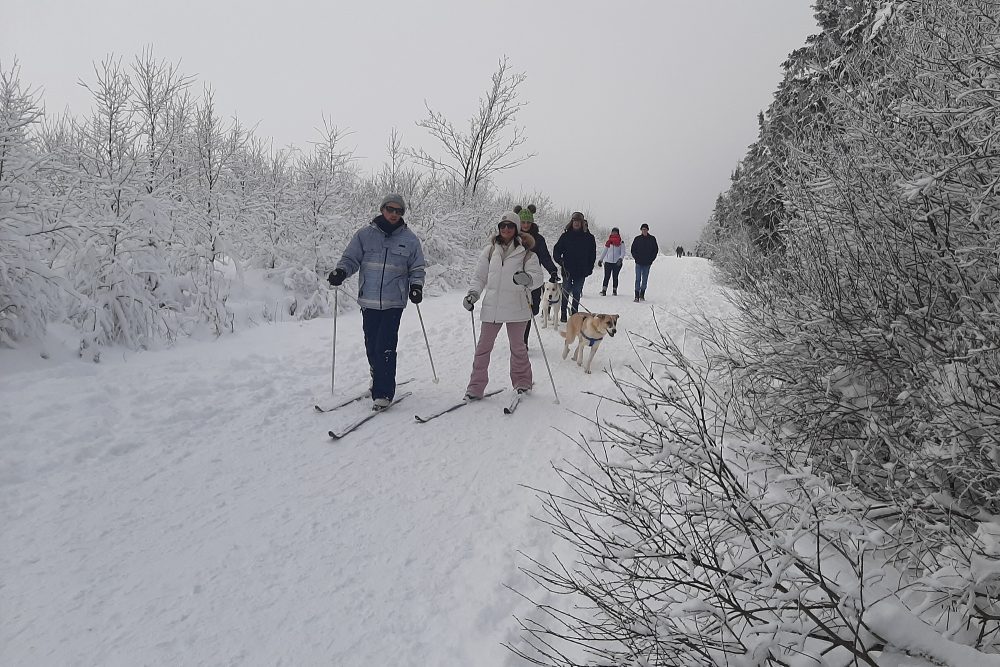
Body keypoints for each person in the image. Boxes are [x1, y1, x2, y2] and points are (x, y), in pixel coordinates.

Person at [327, 193, 425, 409]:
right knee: (371, 345)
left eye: (398, 211)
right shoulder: (364, 235)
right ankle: (376, 374)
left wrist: (416, 286)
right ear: (382, 209)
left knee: (385, 345)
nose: (393, 214)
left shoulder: (410, 239)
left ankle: (383, 392)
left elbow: (417, 267)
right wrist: (341, 272)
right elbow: (350, 258)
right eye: (390, 209)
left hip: (394, 302)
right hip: (368, 301)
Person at [463, 212, 545, 399]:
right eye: (502, 225)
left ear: (516, 229)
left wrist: (528, 279)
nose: (506, 229)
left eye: (510, 225)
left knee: (518, 348)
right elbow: (479, 277)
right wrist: (473, 294)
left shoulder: (527, 254)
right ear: (498, 228)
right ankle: (475, 388)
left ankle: (523, 383)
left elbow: (538, 278)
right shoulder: (490, 251)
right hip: (492, 307)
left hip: (517, 307)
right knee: (482, 349)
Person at [515, 204, 560, 347]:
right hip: (514, 279)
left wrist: (552, 270)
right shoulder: (513, 236)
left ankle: (521, 339)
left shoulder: (539, 239)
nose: (526, 225)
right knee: (521, 311)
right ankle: (522, 342)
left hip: (533, 279)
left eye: (528, 222)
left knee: (532, 310)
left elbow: (545, 257)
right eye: (523, 222)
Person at [552, 212, 597, 322]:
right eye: (574, 221)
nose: (576, 223)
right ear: (571, 222)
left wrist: (589, 268)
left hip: (582, 270)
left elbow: (592, 255)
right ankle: (563, 312)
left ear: (582, 223)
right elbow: (556, 250)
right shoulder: (565, 236)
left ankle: (574, 313)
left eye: (578, 221)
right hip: (567, 269)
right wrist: (560, 261)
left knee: (577, 291)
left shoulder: (589, 238)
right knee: (566, 291)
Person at [630, 223, 659, 302]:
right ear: (641, 230)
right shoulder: (637, 239)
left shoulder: (652, 239)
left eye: (645, 229)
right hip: (638, 263)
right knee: (637, 279)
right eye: (643, 229)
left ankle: (642, 294)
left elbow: (655, 250)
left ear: (648, 230)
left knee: (645, 279)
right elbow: (633, 249)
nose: (644, 231)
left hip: (647, 263)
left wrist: (651, 259)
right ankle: (636, 296)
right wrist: (636, 257)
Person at [598, 227, 625, 295]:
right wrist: (600, 260)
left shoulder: (621, 242)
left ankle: (614, 290)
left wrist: (620, 259)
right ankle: (604, 291)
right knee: (606, 276)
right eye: (613, 232)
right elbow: (605, 251)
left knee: (615, 276)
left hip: (617, 263)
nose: (614, 233)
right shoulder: (608, 242)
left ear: (618, 233)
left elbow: (623, 252)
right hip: (608, 262)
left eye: (615, 232)